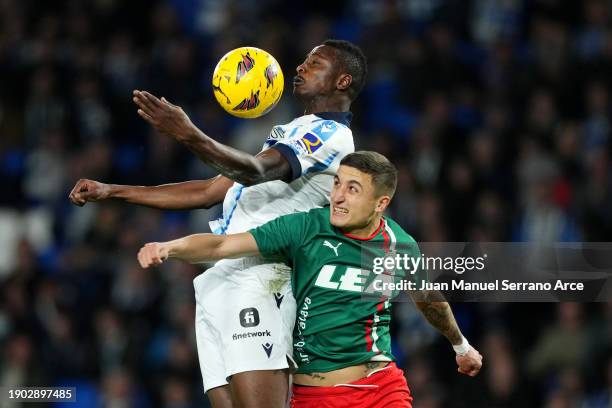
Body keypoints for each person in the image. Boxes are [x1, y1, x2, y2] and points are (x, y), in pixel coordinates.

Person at [69, 39, 368, 408]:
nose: (300, 68)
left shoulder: (330, 136)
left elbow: (256, 170)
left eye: (315, 62)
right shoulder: (294, 129)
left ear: (342, 81)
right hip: (222, 277)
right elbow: (209, 191)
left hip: (262, 277)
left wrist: (187, 133)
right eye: (304, 60)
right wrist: (111, 190)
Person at [137, 151, 484, 408]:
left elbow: (428, 298)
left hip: (380, 389)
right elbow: (223, 244)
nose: (337, 196)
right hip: (314, 397)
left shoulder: (399, 245)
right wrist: (169, 247)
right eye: (336, 183)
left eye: (352, 189)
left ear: (381, 203)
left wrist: (461, 346)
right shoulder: (306, 227)